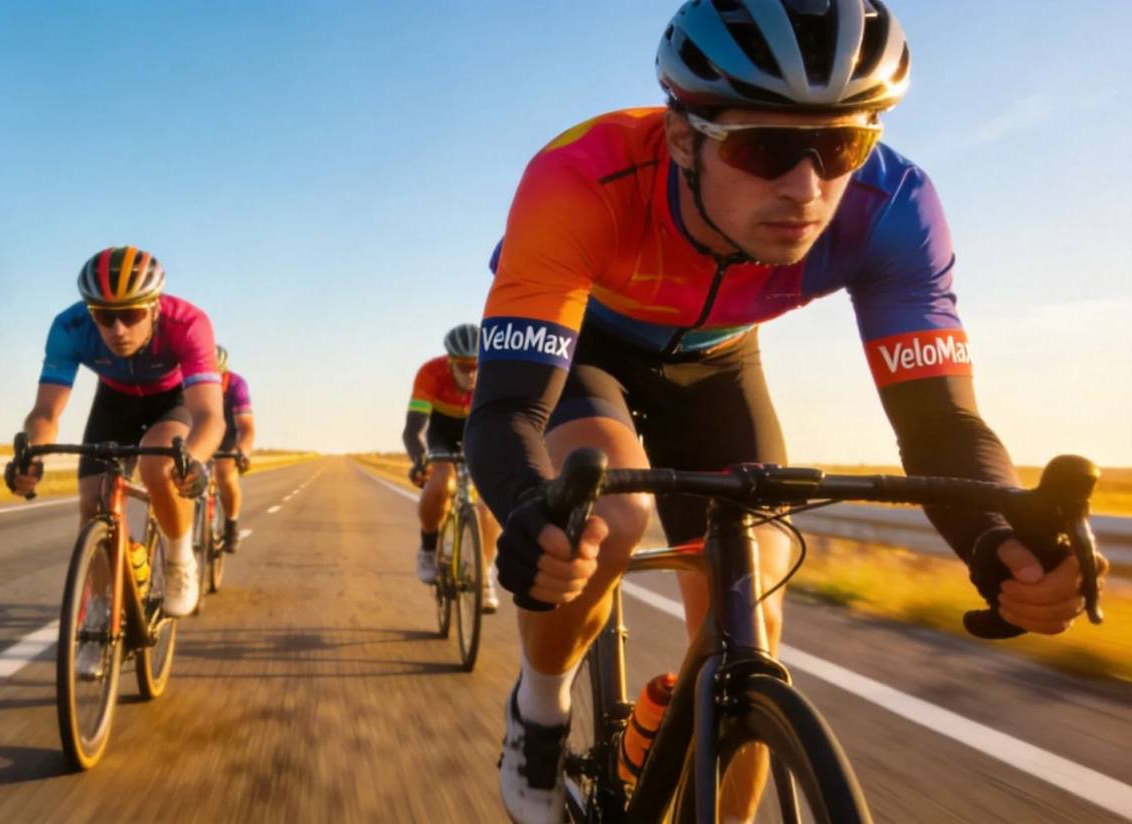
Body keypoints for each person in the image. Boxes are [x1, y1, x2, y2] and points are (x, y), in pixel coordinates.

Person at [466, 2, 1104, 822]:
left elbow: (941, 423)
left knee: (753, 608)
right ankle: (540, 711)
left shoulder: (893, 205)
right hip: (587, 345)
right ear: (683, 136)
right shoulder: (580, 177)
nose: (806, 189)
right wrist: (528, 504)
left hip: (718, 363)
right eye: (764, 147)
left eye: (842, 146)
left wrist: (996, 535)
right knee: (608, 518)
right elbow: (511, 407)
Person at [8, 247, 223, 620]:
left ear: (154, 308)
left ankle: (179, 559)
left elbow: (208, 417)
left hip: (171, 400)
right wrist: (33, 455)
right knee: (93, 502)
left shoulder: (188, 323)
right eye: (105, 317)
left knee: (159, 466)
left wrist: (195, 461)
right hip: (115, 401)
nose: (118, 329)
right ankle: (100, 609)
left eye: (131, 314)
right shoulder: (70, 327)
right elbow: (45, 412)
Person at [404, 324, 500, 611]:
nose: (471, 374)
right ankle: (428, 547)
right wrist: (420, 460)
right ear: (450, 362)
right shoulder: (431, 373)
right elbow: (413, 430)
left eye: (476, 366)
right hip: (442, 434)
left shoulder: (495, 376)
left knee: (488, 505)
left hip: (478, 432)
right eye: (463, 367)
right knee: (443, 481)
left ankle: (484, 574)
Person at [213, 345, 255, 552]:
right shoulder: (188, 381)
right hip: (197, 428)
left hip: (228, 434)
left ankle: (231, 524)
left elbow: (246, 427)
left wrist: (243, 451)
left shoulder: (236, 384)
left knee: (224, 472)